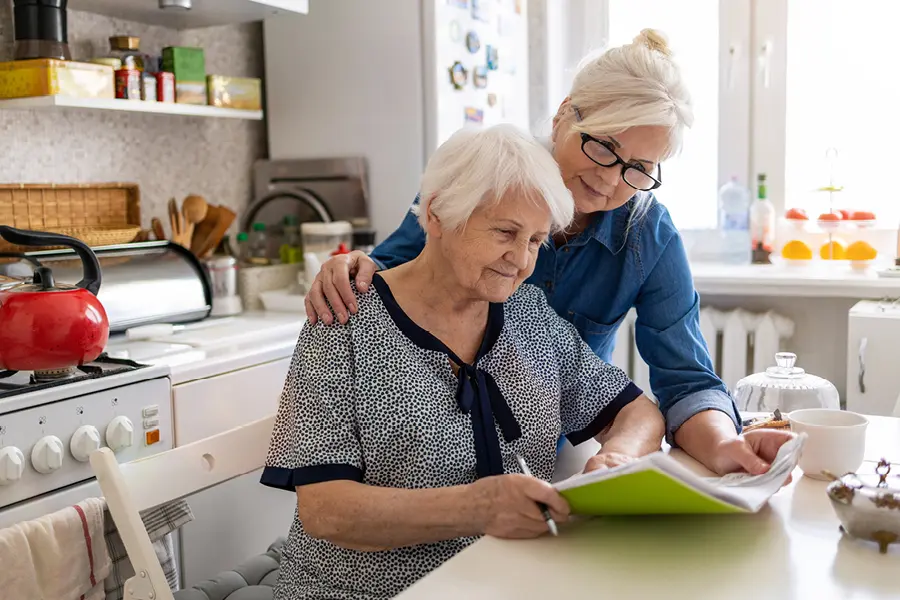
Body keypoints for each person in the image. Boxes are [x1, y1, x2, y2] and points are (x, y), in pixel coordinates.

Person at [304, 29, 795, 477]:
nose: (608, 179)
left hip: (551, 454)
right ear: (565, 114)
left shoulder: (648, 234)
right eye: (603, 146)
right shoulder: (482, 179)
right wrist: (351, 266)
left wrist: (725, 444)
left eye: (638, 167)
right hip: (430, 457)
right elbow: (391, 276)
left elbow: (686, 380)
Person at [261, 124, 663, 599]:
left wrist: (616, 457)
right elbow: (325, 510)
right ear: (436, 215)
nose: (520, 260)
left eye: (536, 241)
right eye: (505, 232)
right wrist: (476, 507)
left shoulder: (528, 315)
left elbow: (638, 412)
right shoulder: (345, 317)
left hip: (503, 585)